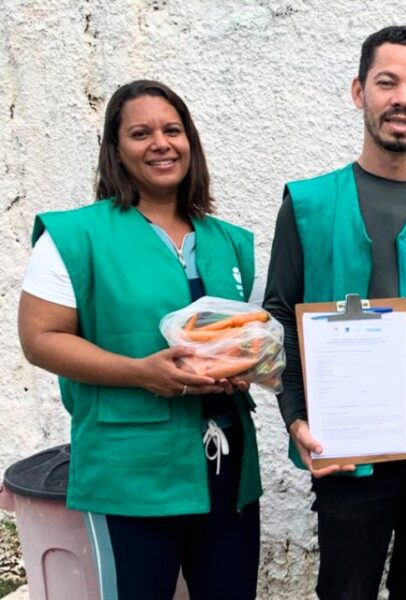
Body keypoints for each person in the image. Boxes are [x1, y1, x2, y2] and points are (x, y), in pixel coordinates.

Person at [262, 26, 406, 599]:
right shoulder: (308, 203)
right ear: (358, 91)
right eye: (387, 82)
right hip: (346, 452)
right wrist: (296, 421)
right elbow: (277, 323)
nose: (402, 99)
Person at [17, 80, 261, 599]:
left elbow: (236, 336)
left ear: (190, 142)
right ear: (115, 149)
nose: (161, 143)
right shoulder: (75, 237)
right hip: (131, 469)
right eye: (140, 133)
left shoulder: (229, 241)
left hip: (226, 468)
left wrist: (253, 362)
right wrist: (140, 372)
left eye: (173, 130)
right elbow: (40, 340)